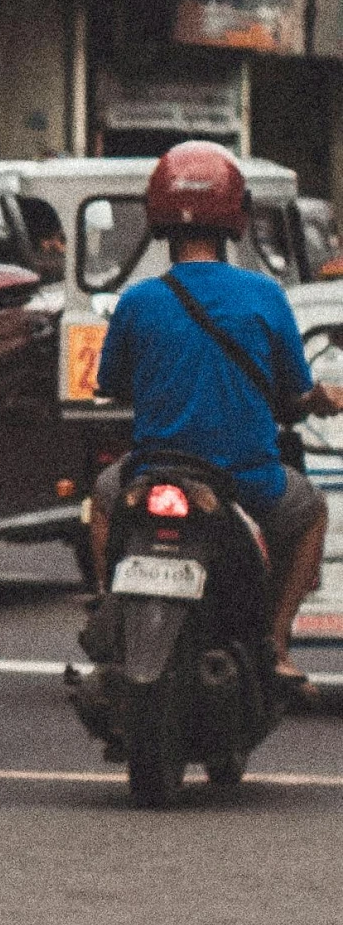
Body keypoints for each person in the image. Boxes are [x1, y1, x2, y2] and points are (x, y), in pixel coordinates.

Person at [87, 141, 343, 689]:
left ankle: (112, 610)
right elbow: (295, 394)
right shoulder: (263, 294)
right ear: (237, 216)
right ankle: (276, 642)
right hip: (245, 482)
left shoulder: (137, 301)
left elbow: (108, 387)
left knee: (104, 497)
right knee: (312, 513)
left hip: (153, 473)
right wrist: (320, 399)